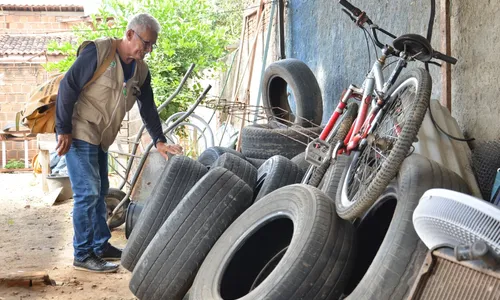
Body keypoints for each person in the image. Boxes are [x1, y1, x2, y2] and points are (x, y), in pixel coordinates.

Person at [55, 13, 183, 273]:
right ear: (129, 35)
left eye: (151, 46)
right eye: (145, 43)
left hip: (102, 137)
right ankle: (82, 253)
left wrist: (159, 140)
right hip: (79, 130)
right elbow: (68, 86)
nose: (147, 50)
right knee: (88, 193)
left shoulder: (140, 70)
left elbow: (147, 106)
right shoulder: (98, 53)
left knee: (100, 191)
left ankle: (101, 246)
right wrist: (63, 129)